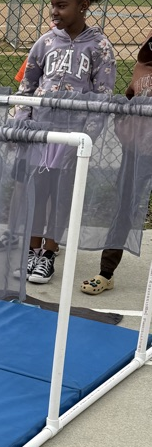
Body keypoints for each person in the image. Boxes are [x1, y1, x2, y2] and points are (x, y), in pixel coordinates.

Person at [13, 0, 116, 285]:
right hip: (40, 134)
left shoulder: (100, 47)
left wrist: (85, 138)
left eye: (62, 5)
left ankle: (49, 251)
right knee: (37, 193)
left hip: (71, 138)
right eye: (52, 5)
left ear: (83, 6)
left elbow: (102, 97)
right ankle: (32, 249)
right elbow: (27, 86)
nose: (54, 12)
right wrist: (22, 123)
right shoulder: (45, 42)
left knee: (61, 197)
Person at [81, 33, 152, 295]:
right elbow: (130, 98)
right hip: (137, 150)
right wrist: (126, 128)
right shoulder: (143, 66)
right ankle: (106, 273)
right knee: (124, 205)